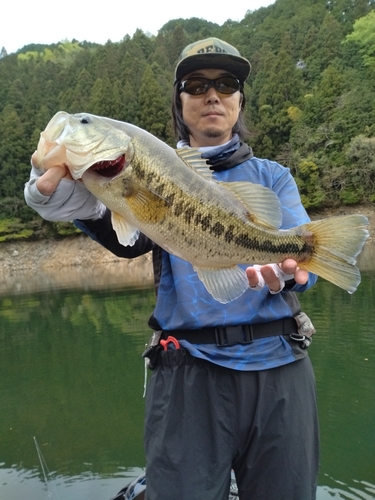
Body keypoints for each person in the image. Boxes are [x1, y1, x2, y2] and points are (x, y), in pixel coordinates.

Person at [25, 37, 319, 500]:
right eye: (195, 84)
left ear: (240, 99)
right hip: (187, 373)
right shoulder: (148, 165)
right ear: (179, 102)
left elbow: (308, 262)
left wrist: (292, 270)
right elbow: (128, 237)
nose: (212, 95)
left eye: (226, 83)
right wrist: (75, 204)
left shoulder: (273, 177)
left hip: (280, 369)